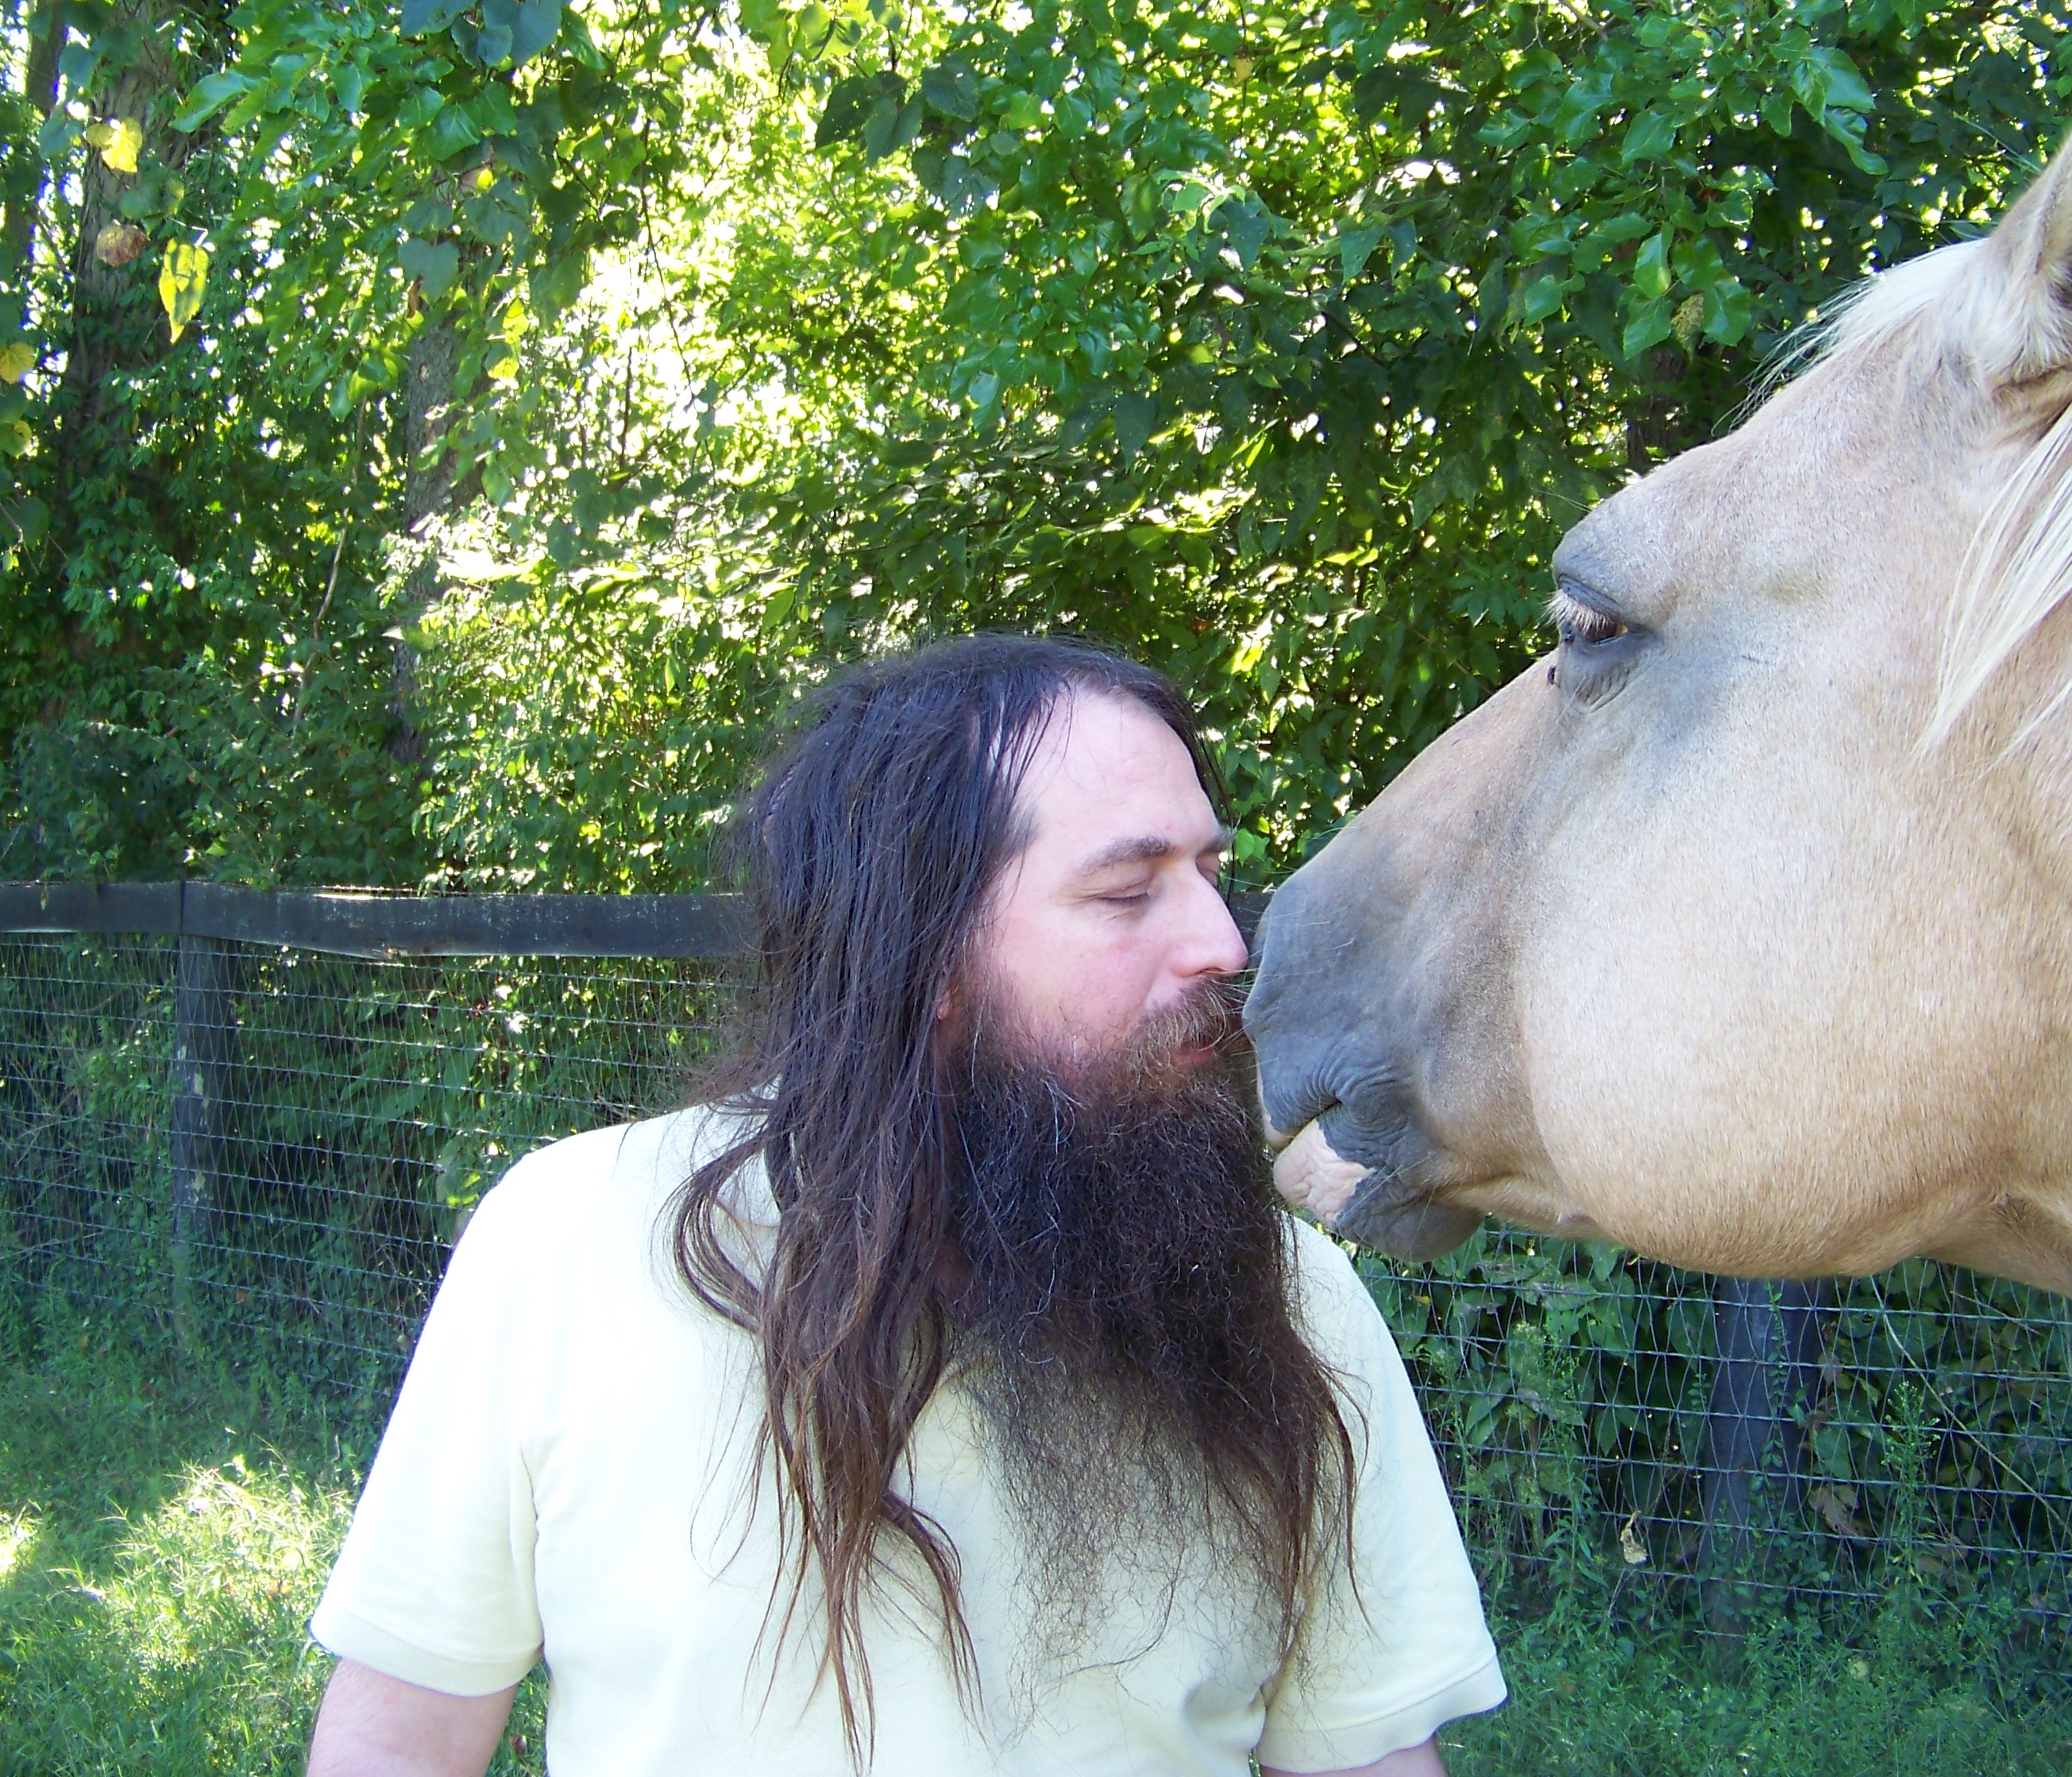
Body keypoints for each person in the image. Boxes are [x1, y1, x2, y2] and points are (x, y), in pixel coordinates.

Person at [303, 635, 1507, 1775]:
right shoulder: (575, 1241)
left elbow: (1369, 1755)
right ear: (918, 954)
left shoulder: (1295, 1309)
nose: (1221, 944)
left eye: (1209, 873)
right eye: (1127, 891)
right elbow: (399, 1743)